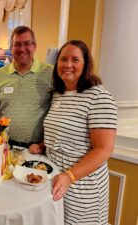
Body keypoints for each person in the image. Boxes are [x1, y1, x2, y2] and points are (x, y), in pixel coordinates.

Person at [40, 40, 117, 224]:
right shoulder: (58, 94)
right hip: (56, 180)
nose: (68, 65)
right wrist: (42, 145)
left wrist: (69, 176)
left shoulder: (99, 97)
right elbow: (64, 132)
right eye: (63, 59)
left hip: (83, 188)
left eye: (75, 59)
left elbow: (103, 150)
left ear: (85, 64)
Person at [0, 25, 53, 149]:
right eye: (17, 44)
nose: (22, 49)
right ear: (11, 48)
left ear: (35, 46)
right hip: (5, 146)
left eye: (27, 43)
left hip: (37, 148)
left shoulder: (50, 73)